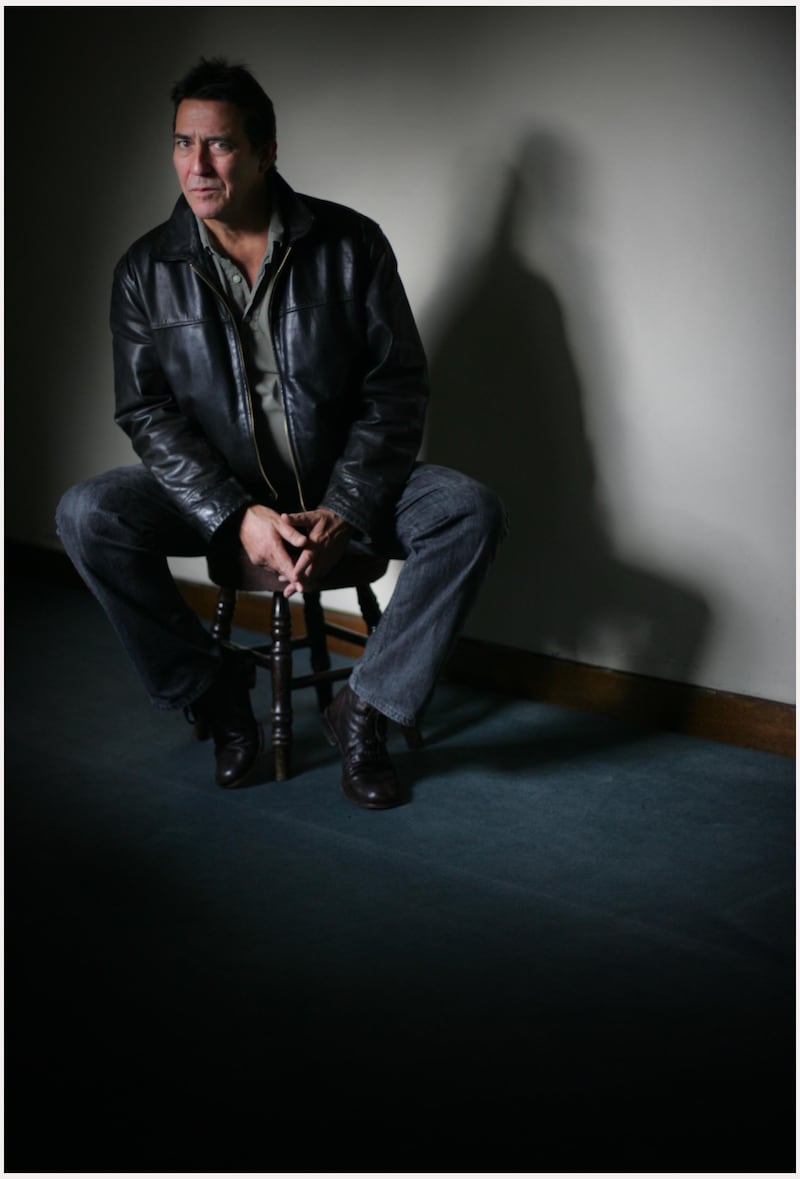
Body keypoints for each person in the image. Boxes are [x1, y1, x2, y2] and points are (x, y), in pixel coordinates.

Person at [56, 58, 505, 810]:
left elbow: (395, 387)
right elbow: (146, 411)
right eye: (182, 143)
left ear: (266, 151)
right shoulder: (145, 269)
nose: (196, 166)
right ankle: (213, 686)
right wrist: (234, 514)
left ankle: (363, 709)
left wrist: (348, 507)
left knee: (470, 511)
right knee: (86, 514)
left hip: (342, 478)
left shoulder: (352, 244)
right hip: (222, 488)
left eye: (220, 145)